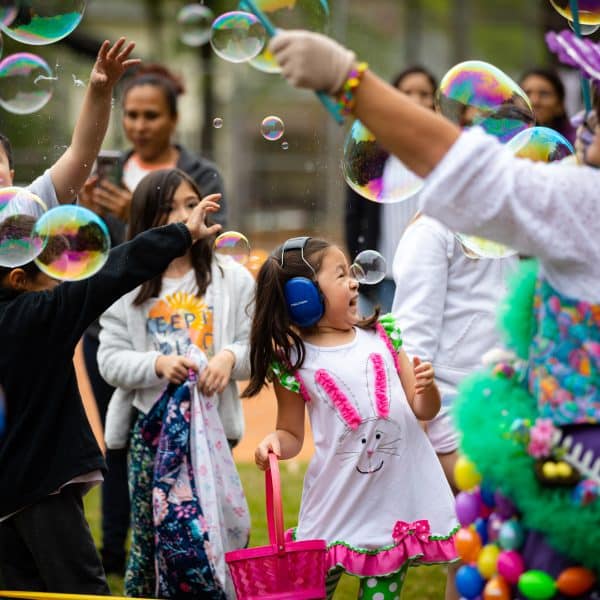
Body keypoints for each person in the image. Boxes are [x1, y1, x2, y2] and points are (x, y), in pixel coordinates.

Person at [266, 28, 600, 592]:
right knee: (485, 568)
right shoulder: (440, 233)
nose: (583, 125)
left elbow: (473, 176)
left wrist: (346, 77)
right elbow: (413, 342)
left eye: (594, 117)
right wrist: (443, 434)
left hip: (545, 439)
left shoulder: (576, 208)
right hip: (489, 424)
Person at [0, 169, 222, 591]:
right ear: (18, 280)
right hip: (43, 488)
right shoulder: (38, 315)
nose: (61, 279)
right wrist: (180, 234)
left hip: (6, 493)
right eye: (50, 271)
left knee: (19, 588)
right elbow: (113, 271)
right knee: (83, 590)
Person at [244, 237, 458, 600]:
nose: (355, 281)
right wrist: (274, 444)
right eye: (341, 274)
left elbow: (422, 409)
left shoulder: (384, 336)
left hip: (393, 510)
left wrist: (429, 388)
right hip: (334, 507)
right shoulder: (295, 361)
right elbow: (290, 433)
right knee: (310, 594)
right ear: (304, 296)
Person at [79, 63, 228, 576]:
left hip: (186, 327)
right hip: (121, 324)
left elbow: (197, 236)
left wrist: (128, 214)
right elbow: (88, 251)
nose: (139, 125)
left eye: (151, 115)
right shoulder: (107, 169)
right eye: (132, 115)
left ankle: (196, 555)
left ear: (172, 119)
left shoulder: (201, 174)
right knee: (117, 444)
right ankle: (116, 552)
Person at [97, 168, 253, 596]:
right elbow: (109, 361)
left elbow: (255, 348)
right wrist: (157, 364)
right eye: (168, 210)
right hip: (150, 435)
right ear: (145, 223)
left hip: (212, 432)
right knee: (151, 537)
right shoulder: (124, 287)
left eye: (190, 204)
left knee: (212, 532)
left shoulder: (232, 279)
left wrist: (227, 357)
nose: (185, 217)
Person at [392, 216, 517, 490]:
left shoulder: (510, 224)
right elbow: (411, 341)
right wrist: (418, 450)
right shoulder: (432, 231)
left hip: (508, 407)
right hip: (451, 417)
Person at [345, 66, 437, 315]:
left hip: (431, 274)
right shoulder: (371, 152)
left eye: (424, 93)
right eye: (406, 92)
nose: (416, 99)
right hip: (383, 275)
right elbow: (353, 215)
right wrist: (361, 264)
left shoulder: (442, 152)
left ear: (435, 100)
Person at [520, 67, 576, 144]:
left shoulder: (577, 144)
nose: (534, 101)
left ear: (560, 105)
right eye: (527, 93)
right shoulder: (503, 143)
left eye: (544, 94)